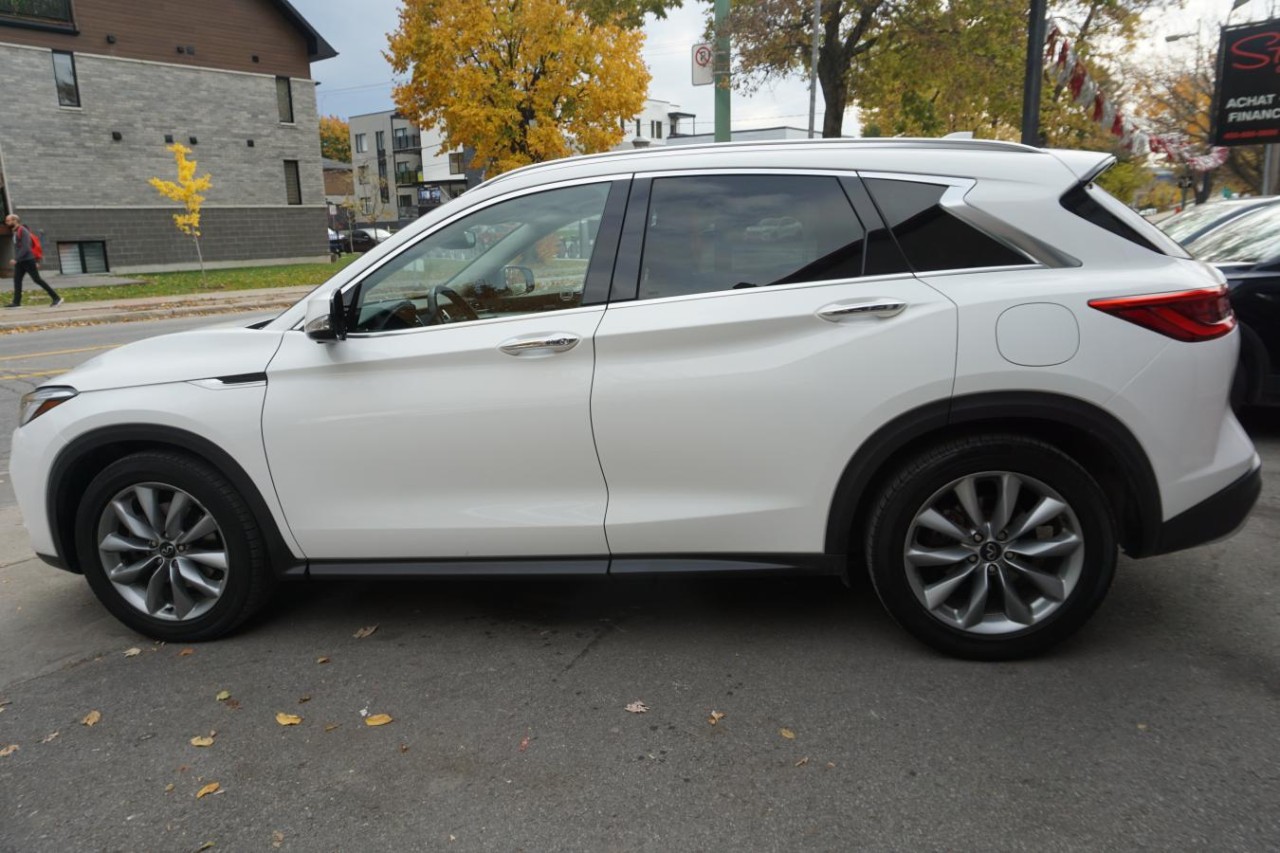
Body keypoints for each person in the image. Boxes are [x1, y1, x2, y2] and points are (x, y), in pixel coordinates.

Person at [4, 214, 62, 308]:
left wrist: (16, 259)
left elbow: (26, 247)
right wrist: (18, 259)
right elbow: (19, 248)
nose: (6, 223)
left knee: (37, 279)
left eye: (8, 221)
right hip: (21, 261)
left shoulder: (23, 230)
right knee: (17, 280)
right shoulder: (15, 232)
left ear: (15, 220)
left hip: (28, 260)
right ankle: (16, 303)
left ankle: (56, 298)